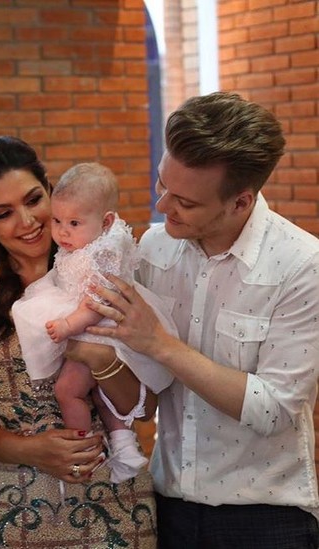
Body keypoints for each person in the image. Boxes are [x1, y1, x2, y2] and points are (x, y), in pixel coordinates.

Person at [85, 91, 319, 548]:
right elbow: (142, 388)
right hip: (166, 501)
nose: (162, 207)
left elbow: (274, 409)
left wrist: (162, 345)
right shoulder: (152, 248)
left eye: (185, 203)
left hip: (266, 517)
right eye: (161, 185)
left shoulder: (301, 264)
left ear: (240, 202)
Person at [0, 136, 159, 548]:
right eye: (4, 213)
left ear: (51, 190)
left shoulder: (104, 277)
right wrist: (28, 450)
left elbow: (144, 407)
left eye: (34, 199)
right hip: (8, 509)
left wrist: (99, 358)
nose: (27, 221)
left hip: (112, 502)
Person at [11, 162, 176, 483]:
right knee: (100, 393)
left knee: (67, 390)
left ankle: (84, 445)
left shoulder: (102, 254)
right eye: (57, 221)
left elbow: (99, 301)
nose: (62, 231)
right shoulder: (85, 245)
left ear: (107, 221)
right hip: (97, 328)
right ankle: (124, 444)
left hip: (102, 329)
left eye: (73, 223)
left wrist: (70, 325)